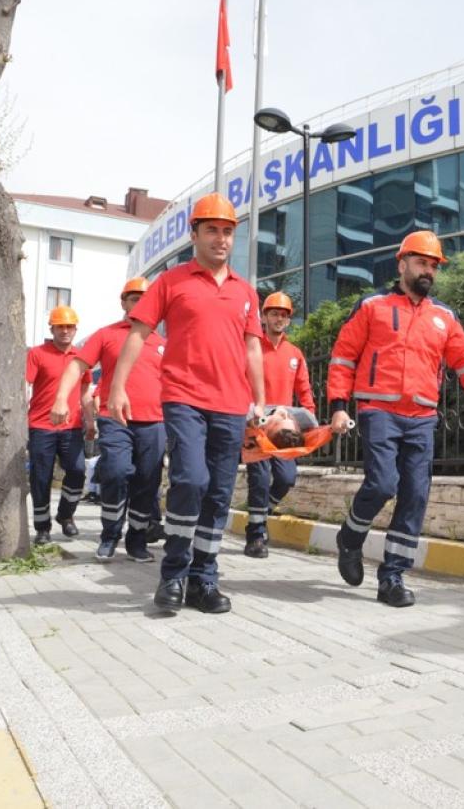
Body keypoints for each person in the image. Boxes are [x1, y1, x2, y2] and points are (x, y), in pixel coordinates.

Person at [328, 230, 464, 607]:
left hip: (422, 416)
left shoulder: (444, 317)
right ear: (402, 264)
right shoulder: (372, 306)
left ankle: (392, 576)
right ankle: (350, 537)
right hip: (379, 409)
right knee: (382, 483)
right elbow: (343, 357)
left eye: (433, 265)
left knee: (415, 494)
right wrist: (339, 405)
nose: (428, 270)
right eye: (421, 262)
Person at [107, 193, 265, 614]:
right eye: (211, 230)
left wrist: (261, 402)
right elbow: (138, 334)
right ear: (194, 234)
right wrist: (117, 388)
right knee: (191, 480)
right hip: (184, 398)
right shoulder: (171, 282)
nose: (220, 238)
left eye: (227, 231)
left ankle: (203, 580)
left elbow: (253, 349)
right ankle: (174, 574)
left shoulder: (246, 292)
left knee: (218, 493)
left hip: (231, 405)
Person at [51, 278, 165, 563]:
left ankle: (137, 540)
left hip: (155, 422)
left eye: (146, 299)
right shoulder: (106, 335)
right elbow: (76, 366)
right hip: (116, 419)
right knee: (115, 472)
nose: (140, 303)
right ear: (123, 302)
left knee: (147, 482)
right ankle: (110, 536)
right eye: (134, 298)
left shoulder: (162, 343)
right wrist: (62, 398)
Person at [243, 291, 316, 559]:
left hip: (284, 427)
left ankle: (261, 514)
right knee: (260, 479)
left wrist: (309, 416)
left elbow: (304, 390)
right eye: (274, 313)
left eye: (284, 315)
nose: (279, 319)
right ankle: (255, 536)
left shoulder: (295, 354)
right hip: (256, 423)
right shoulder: (252, 348)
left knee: (287, 478)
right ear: (264, 317)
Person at [26, 305, 90, 545]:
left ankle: (66, 514)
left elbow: (85, 391)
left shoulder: (82, 357)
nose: (65, 331)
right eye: (60, 326)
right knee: (40, 478)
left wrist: (90, 420)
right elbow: (24, 385)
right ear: (51, 328)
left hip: (71, 427)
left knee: (78, 470)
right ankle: (42, 528)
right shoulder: (37, 354)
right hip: (40, 426)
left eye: (69, 327)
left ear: (75, 330)